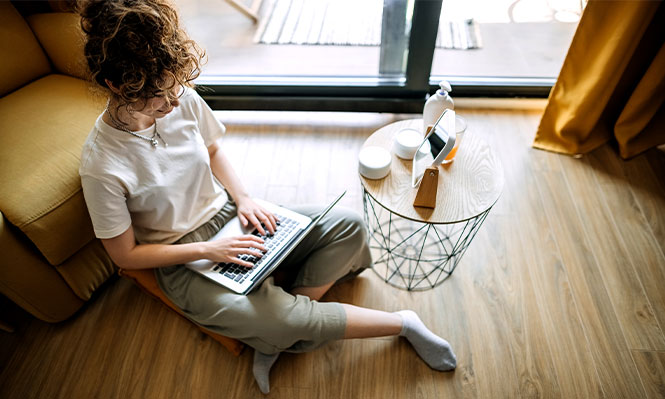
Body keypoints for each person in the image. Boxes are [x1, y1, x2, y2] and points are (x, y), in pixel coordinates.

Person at [78, 0, 457, 393]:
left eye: (176, 91)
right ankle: (402, 323)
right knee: (282, 320)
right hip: (182, 256)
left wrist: (243, 199)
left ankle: (277, 329)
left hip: (229, 214)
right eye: (161, 99)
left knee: (348, 226)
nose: (174, 104)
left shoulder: (179, 96)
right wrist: (209, 251)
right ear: (118, 86)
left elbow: (212, 149)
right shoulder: (101, 165)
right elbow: (125, 256)